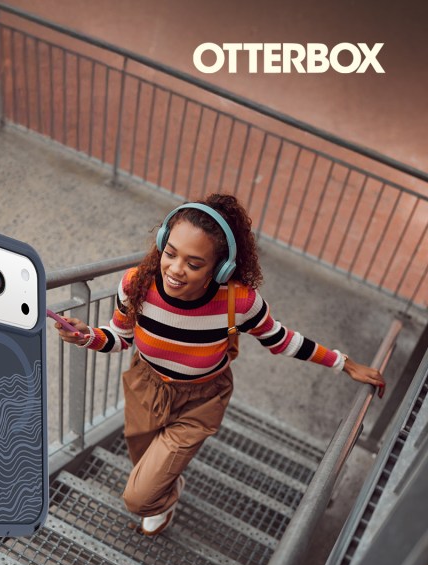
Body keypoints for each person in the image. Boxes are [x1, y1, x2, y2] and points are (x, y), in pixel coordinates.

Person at [54, 194, 386, 536]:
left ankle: (164, 501)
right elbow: (120, 337)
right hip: (145, 387)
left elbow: (281, 340)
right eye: (171, 253)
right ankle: (167, 484)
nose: (175, 269)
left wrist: (344, 363)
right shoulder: (136, 284)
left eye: (194, 263)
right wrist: (87, 336)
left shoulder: (238, 302)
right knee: (144, 463)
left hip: (201, 400)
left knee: (139, 497)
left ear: (221, 268)